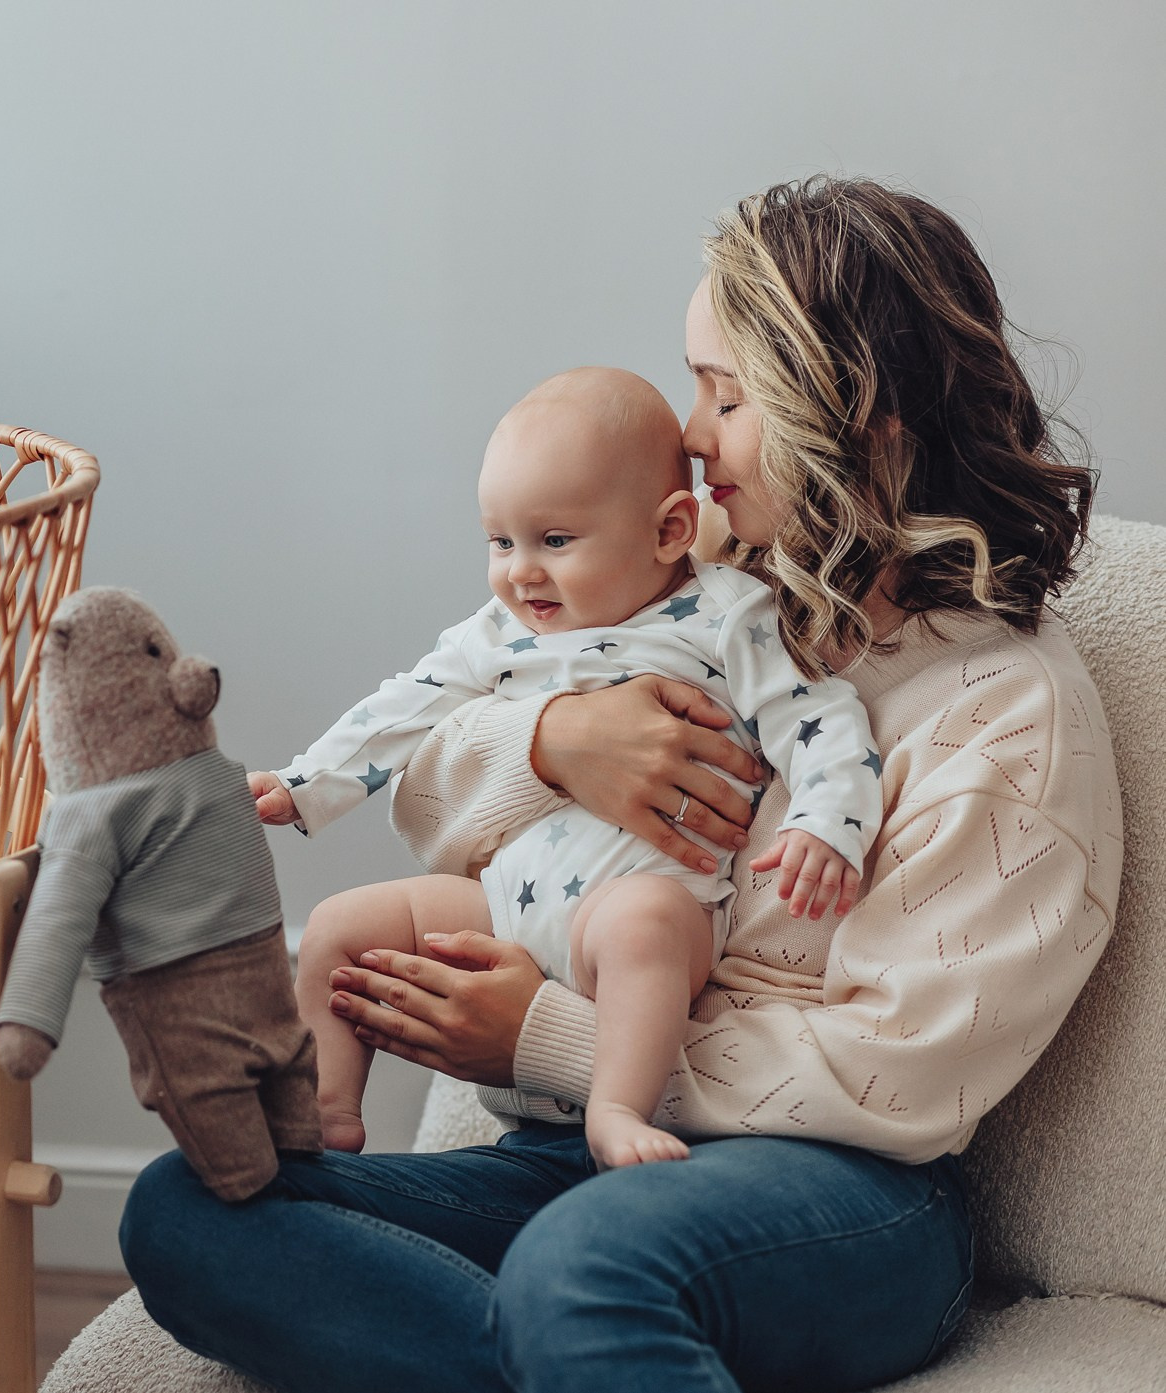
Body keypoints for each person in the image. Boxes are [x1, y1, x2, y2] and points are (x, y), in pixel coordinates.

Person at [119, 176, 1121, 1393]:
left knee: (582, 1264)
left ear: (866, 427)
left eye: (726, 395)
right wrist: (553, 739)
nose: (688, 434)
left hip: (842, 1196)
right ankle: (572, 1360)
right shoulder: (693, 569)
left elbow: (894, 1075)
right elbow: (430, 809)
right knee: (190, 1203)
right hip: (565, 1161)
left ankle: (571, 1329)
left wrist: (545, 1036)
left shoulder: (1008, 717)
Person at [256, 366, 880, 1169]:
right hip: (501, 905)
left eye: (555, 541)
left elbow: (820, 716)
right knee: (340, 925)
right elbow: (407, 706)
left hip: (631, 908)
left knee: (644, 927)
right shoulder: (499, 627)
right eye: (500, 540)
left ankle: (616, 1108)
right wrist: (305, 782)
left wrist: (826, 821)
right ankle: (329, 1107)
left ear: (668, 532)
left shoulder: (726, 614)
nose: (521, 571)